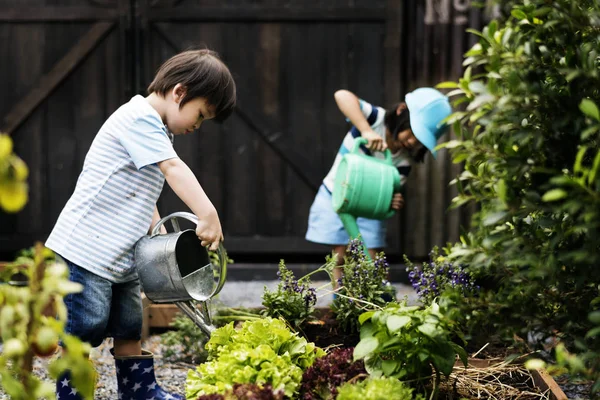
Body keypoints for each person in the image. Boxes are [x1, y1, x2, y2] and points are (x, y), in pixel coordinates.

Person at [45, 49, 236, 400]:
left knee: (129, 327)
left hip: (121, 253)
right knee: (84, 327)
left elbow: (141, 190)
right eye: (200, 115)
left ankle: (139, 391)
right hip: (86, 250)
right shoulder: (138, 118)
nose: (197, 125)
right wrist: (207, 213)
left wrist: (158, 235)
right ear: (180, 92)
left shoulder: (157, 129)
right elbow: (173, 170)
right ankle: (72, 394)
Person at [305, 87, 451, 287]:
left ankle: (374, 301)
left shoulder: (405, 161)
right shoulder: (376, 119)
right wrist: (365, 129)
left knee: (373, 259)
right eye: (413, 132)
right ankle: (339, 301)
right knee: (339, 256)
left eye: (420, 140)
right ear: (401, 111)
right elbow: (341, 95)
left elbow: (388, 192)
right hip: (337, 193)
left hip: (369, 207)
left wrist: (392, 201)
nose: (412, 142)